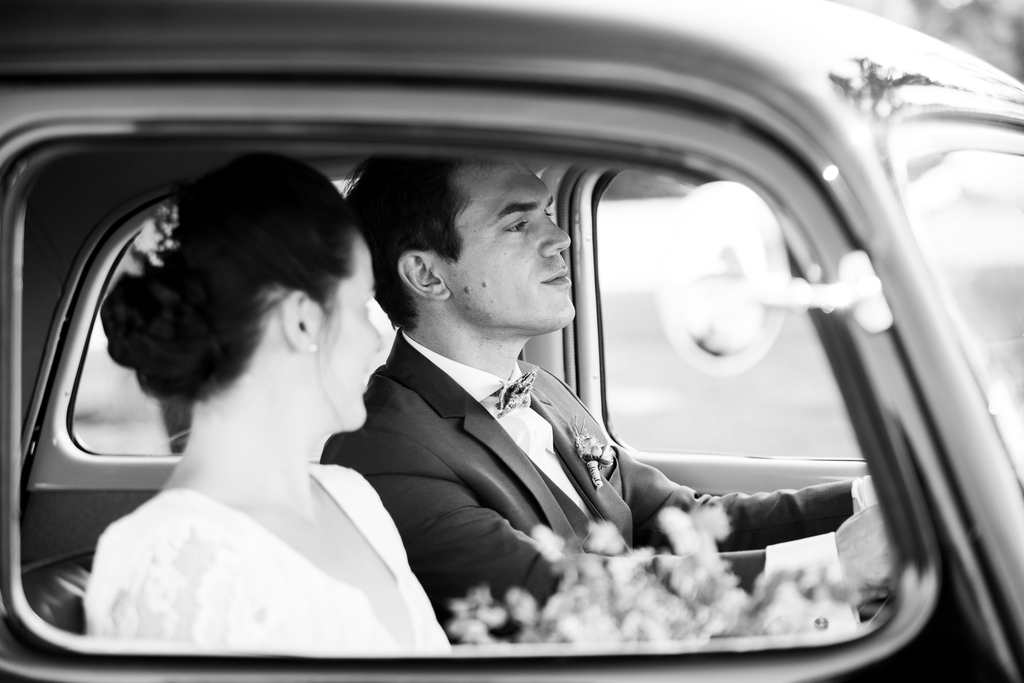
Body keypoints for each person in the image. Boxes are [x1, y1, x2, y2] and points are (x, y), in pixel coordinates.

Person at [321, 156, 893, 626]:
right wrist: (836, 566)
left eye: (548, 213)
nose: (561, 238)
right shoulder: (382, 449)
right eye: (519, 225)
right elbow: (557, 597)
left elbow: (679, 522)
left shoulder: (541, 388)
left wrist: (874, 503)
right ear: (427, 275)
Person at [84, 154, 450, 656]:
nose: (374, 340)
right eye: (361, 307)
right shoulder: (181, 558)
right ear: (303, 322)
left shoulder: (350, 496)